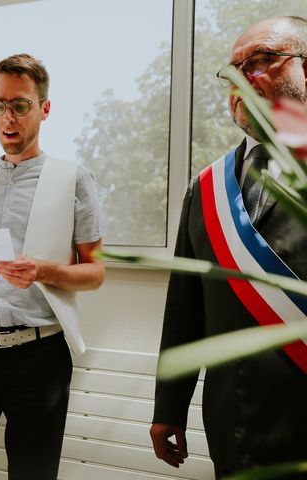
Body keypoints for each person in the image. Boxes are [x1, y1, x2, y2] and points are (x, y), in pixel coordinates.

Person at [0, 53, 105, 479]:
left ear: (44, 109)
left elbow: (95, 272)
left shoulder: (75, 179)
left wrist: (43, 270)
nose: (7, 117)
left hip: (39, 358)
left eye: (20, 105)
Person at [151, 17, 307, 478]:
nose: (242, 77)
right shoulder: (206, 188)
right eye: (233, 68)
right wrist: (169, 406)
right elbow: (185, 306)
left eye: (260, 61)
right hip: (231, 426)